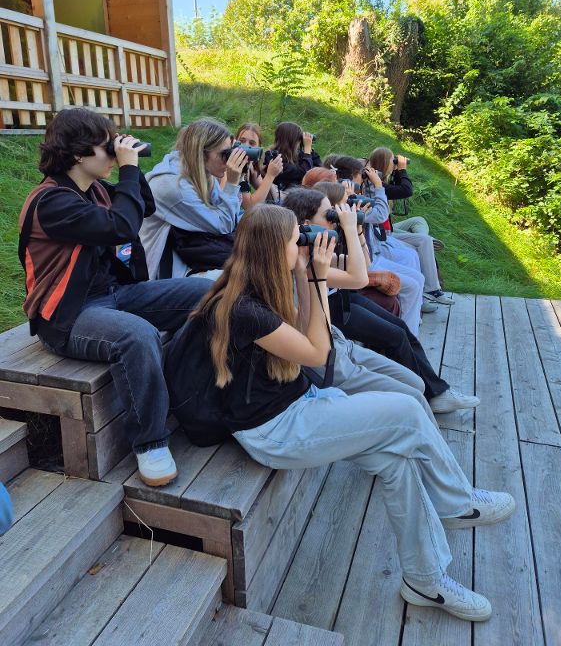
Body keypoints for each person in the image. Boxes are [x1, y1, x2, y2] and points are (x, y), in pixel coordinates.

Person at [178, 204, 514, 622]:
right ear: (271, 248)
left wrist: (304, 273)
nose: (300, 243)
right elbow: (318, 352)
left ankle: (424, 579)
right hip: (276, 430)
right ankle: (456, 502)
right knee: (408, 410)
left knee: (396, 460)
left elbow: (303, 339)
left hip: (302, 406)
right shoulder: (245, 308)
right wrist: (315, 276)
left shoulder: (263, 286)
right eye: (292, 239)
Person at [18, 108, 213, 487]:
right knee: (138, 335)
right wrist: (125, 169)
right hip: (68, 315)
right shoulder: (51, 201)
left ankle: (193, 392)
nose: (114, 151)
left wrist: (131, 167)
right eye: (106, 144)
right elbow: (121, 226)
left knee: (207, 294)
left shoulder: (98, 191)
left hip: (116, 294)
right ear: (77, 153)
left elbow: (146, 207)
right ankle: (150, 442)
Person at [283, 187, 478, 412]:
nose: (336, 219)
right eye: (330, 215)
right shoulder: (304, 263)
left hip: (339, 301)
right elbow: (358, 279)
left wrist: (355, 232)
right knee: (394, 336)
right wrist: (347, 228)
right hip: (329, 313)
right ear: (307, 223)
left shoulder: (316, 254)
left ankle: (437, 391)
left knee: (400, 327)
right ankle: (433, 394)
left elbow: (364, 267)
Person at [323, 154, 427, 335]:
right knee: (412, 284)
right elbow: (380, 214)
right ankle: (410, 333)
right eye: (360, 175)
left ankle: (411, 324)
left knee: (418, 277)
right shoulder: (344, 203)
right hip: (365, 260)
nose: (363, 179)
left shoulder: (358, 194)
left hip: (369, 255)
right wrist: (377, 186)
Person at [140, 118, 248, 280]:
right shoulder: (174, 187)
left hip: (191, 254)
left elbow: (225, 216)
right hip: (165, 272)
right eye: (224, 154)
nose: (228, 161)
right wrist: (232, 183)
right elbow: (223, 225)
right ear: (201, 154)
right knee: (243, 279)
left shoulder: (198, 172)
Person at [369, 147, 453, 305]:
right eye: (392, 161)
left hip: (390, 229)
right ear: (385, 163)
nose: (395, 163)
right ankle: (432, 288)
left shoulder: (383, 181)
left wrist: (396, 172)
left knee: (418, 221)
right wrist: (402, 170)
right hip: (385, 233)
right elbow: (406, 190)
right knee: (422, 242)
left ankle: (427, 241)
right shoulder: (377, 185)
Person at [264, 121, 322, 195]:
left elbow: (320, 169)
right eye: (298, 139)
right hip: (280, 201)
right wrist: (307, 148)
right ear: (292, 141)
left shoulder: (296, 155)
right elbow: (304, 173)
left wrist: (308, 149)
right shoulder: (275, 158)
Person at [235, 122, 284, 208]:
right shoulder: (233, 166)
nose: (246, 146)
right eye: (242, 141)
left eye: (252, 143)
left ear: (258, 148)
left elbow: (265, 190)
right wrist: (270, 175)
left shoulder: (250, 165)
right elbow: (249, 206)